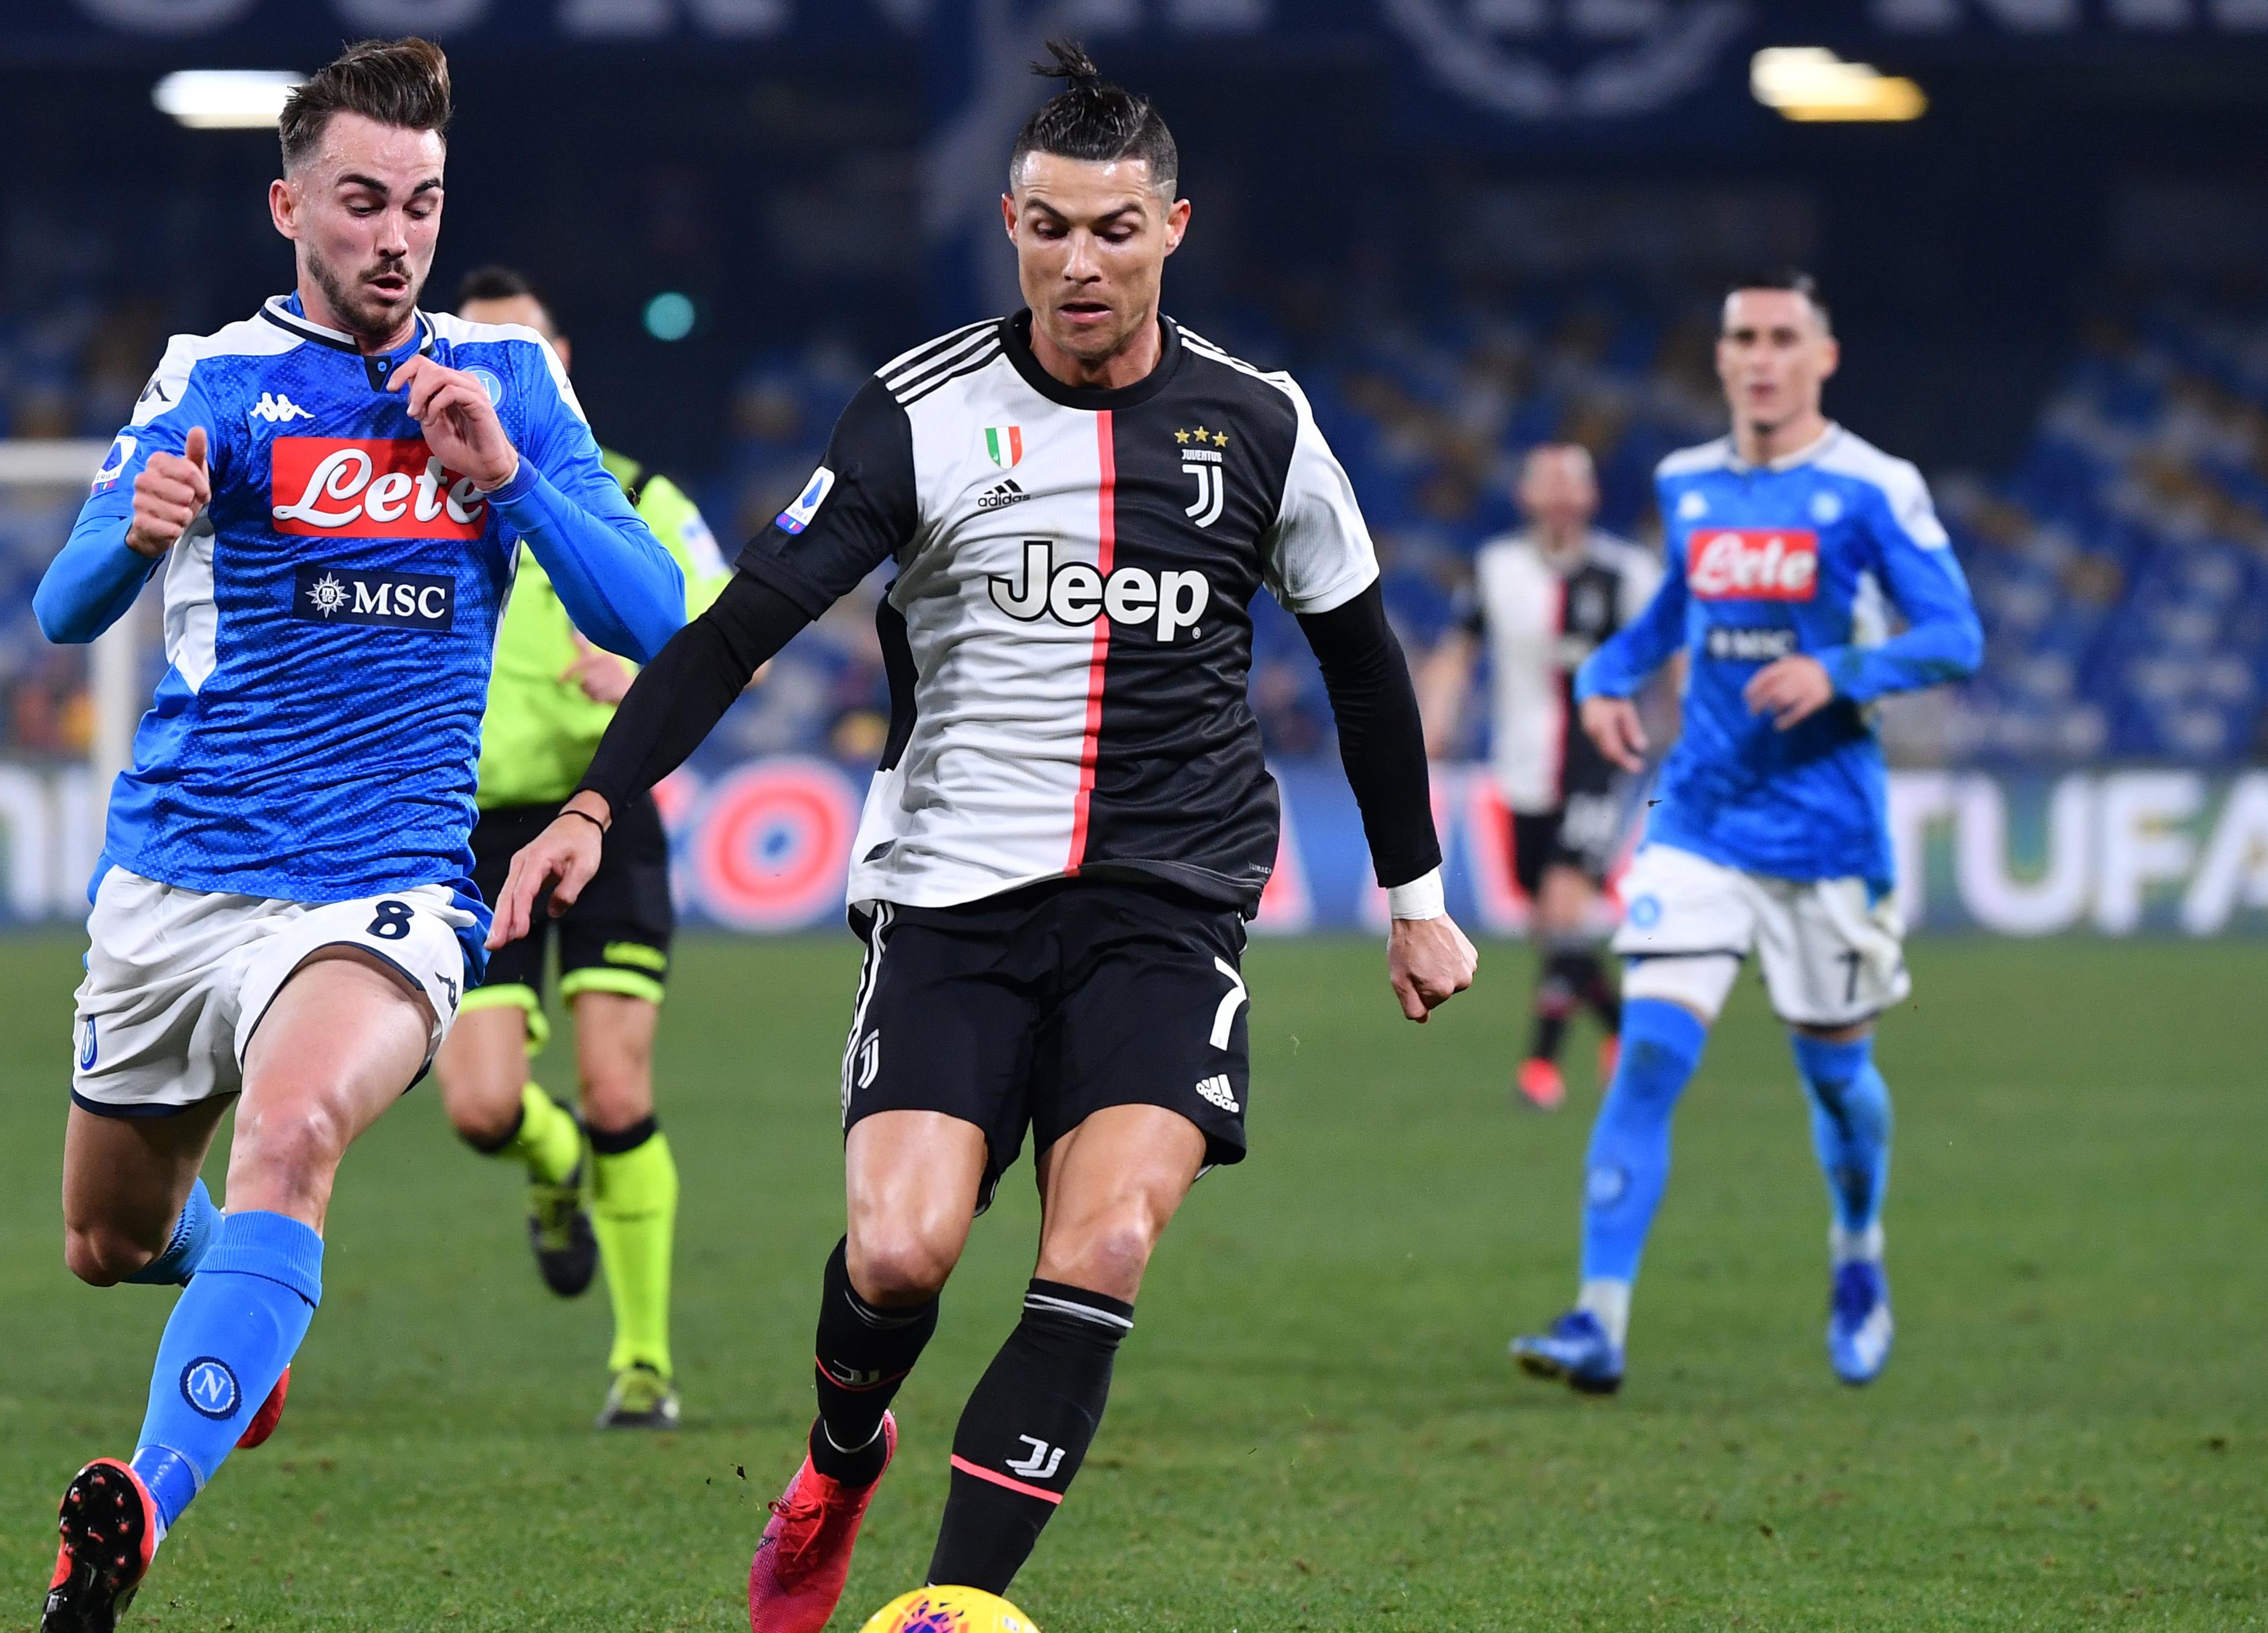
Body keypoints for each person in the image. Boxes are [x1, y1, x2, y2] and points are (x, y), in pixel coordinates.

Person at [491, 43, 1476, 1629]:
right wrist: (600, 798)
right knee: (899, 1254)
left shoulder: (1261, 425)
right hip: (952, 900)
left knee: (1108, 1238)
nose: (1078, 263)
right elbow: (741, 625)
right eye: (1048, 228)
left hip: (1168, 902)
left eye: (1113, 230)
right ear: (1008, 224)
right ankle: (838, 1458)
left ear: (1172, 230)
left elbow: (1361, 663)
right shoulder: (919, 411)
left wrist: (1413, 895)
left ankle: (954, 1604)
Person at [24, 39, 685, 1632]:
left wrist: (507, 479)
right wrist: (133, 538)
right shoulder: (211, 380)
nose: (398, 238)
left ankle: (137, 1506)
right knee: (108, 1238)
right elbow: (63, 608)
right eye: (364, 202)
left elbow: (654, 614)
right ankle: (246, 1303)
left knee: (296, 1131)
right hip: (177, 876)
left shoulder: (508, 383)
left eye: (423, 205)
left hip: (383, 882)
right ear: (290, 209)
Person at [1508, 271, 1982, 1396]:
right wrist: (1608, 675)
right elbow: (1676, 611)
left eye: (1781, 338)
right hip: (1700, 818)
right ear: (1720, 358)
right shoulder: (1688, 482)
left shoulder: (1873, 487)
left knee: (1838, 1083)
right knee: (1649, 1058)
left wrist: (1838, 669)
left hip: (1826, 834)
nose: (1760, 357)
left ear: (1822, 357)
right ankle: (1597, 1319)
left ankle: (1857, 1252)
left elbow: (1954, 635)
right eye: (1742, 339)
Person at [436, 264, 729, 1432]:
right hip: (468, 830)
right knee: (480, 1107)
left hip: (603, 809)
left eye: (525, 349)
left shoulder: (637, 496)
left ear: (559, 364)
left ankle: (642, 1363)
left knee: (616, 1086)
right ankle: (550, 1162)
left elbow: (726, 632)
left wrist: (647, 669)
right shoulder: (412, 501)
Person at [1415, 445, 1662, 1110]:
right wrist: (1433, 726)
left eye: (1570, 484)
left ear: (1591, 497)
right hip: (1521, 769)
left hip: (1600, 762)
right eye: (1546, 484)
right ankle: (1625, 1033)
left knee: (1563, 903)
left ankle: (1539, 1071)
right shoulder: (1496, 568)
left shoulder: (1627, 574)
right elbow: (1457, 653)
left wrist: (1687, 727)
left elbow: (1670, 650)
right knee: (1549, 926)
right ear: (1525, 497)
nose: (1559, 496)